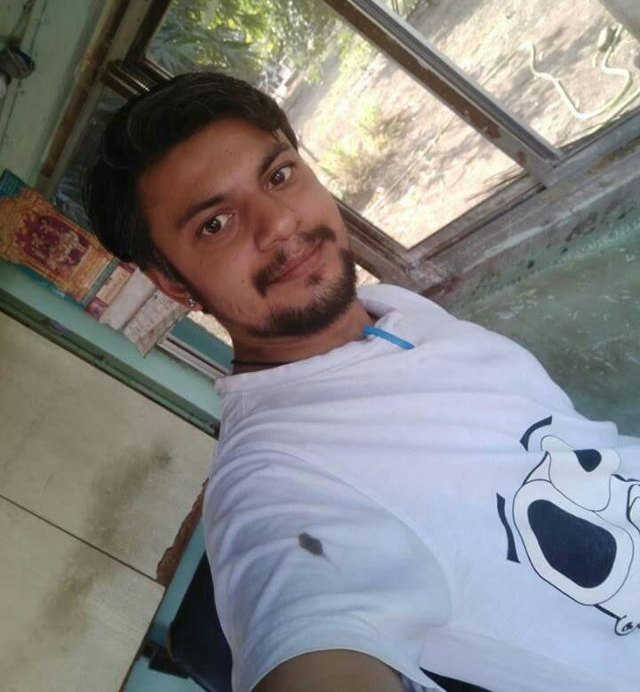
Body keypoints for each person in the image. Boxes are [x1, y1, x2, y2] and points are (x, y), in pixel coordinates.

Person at [85, 72, 640, 692]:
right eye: (215, 224)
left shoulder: (394, 309)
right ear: (172, 283)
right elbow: (308, 635)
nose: (279, 223)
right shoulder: (275, 485)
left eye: (279, 175)